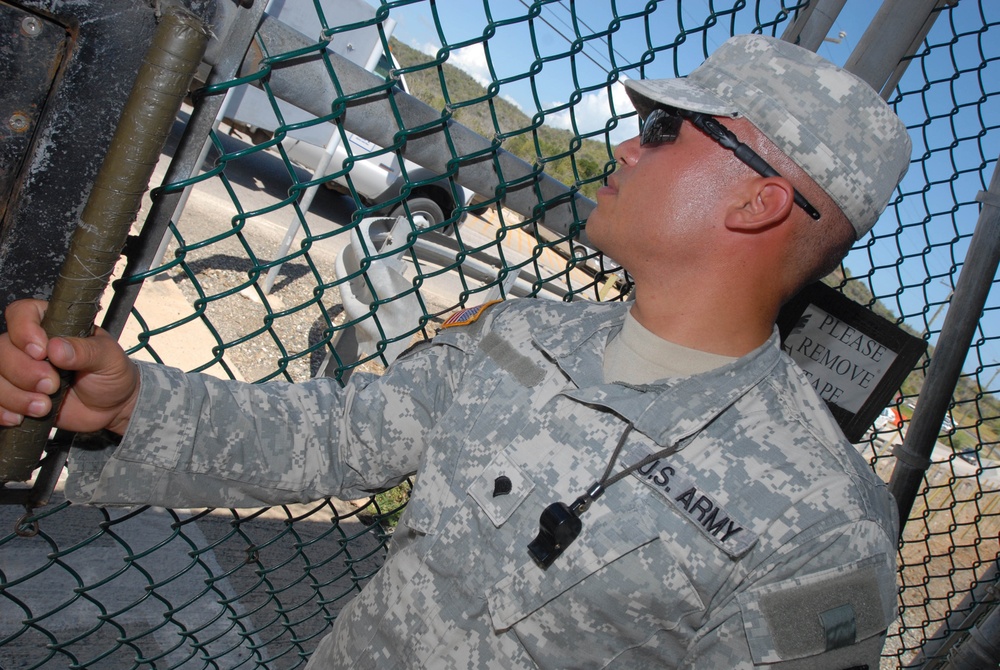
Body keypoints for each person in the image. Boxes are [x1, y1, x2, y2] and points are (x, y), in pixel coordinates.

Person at [0, 34, 911, 669]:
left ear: (758, 203)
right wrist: (127, 408)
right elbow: (329, 435)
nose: (628, 146)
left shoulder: (823, 525)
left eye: (671, 130)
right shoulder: (520, 337)